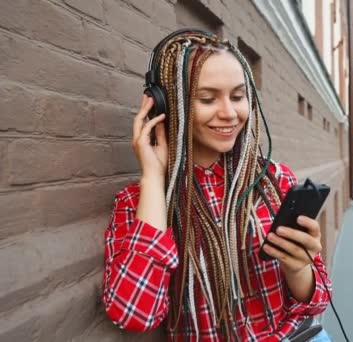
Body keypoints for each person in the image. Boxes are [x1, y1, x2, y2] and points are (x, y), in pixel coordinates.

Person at [102, 29, 332, 341]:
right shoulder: (141, 202)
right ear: (166, 105)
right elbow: (133, 314)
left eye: (238, 96)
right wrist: (155, 179)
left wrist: (298, 268)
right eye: (208, 99)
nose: (229, 113)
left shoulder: (274, 181)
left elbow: (317, 300)